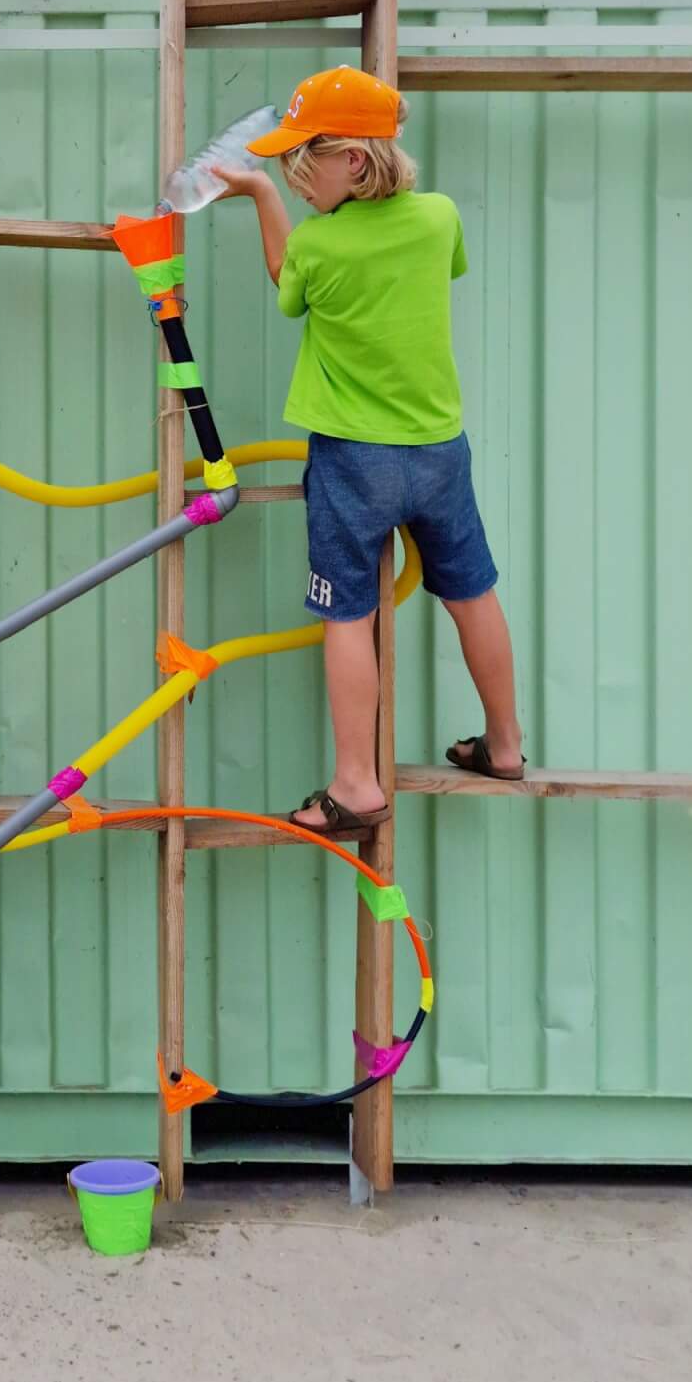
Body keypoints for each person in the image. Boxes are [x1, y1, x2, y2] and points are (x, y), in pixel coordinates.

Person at [212, 65, 524, 831]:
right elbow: (440, 267)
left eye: (300, 163)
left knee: (348, 615)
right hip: (439, 450)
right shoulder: (440, 217)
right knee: (471, 590)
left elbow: (288, 284)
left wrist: (258, 198)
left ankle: (356, 784)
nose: (292, 177)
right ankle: (507, 744)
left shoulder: (317, 244)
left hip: (355, 459)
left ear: (353, 159)